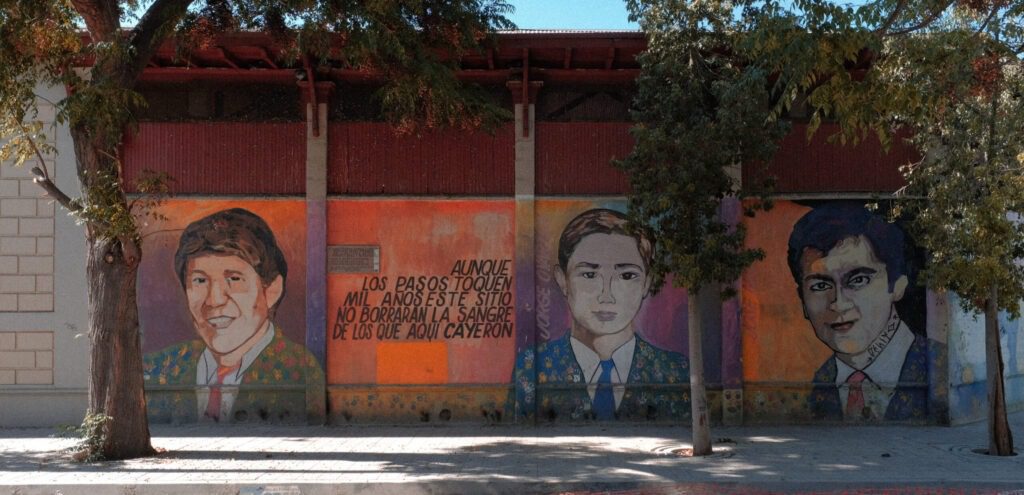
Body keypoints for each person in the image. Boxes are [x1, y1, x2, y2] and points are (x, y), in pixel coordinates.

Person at [144, 208, 323, 423]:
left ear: (272, 291)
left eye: (234, 279)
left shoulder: (300, 369)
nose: (214, 300)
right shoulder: (157, 368)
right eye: (200, 281)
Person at [510, 208, 690, 421]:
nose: (607, 296)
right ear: (562, 280)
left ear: (646, 283)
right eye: (589, 274)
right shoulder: (530, 366)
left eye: (626, 275)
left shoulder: (675, 370)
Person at [787, 203, 931, 421]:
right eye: (820, 286)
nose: (838, 303)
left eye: (858, 280)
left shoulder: (934, 364)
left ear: (897, 286)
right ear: (802, 302)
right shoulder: (820, 383)